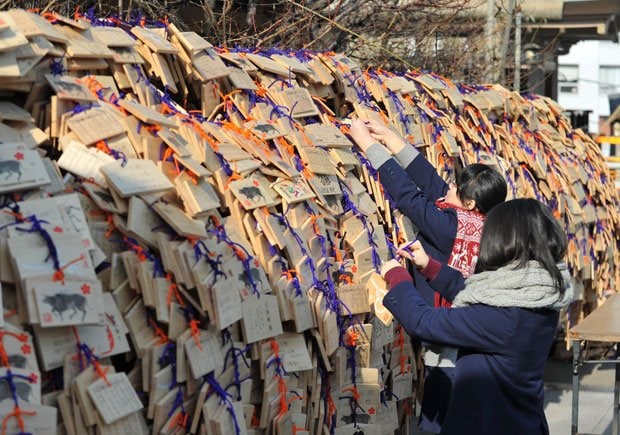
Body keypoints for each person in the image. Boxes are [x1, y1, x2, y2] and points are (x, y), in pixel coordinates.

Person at [349, 118, 507, 432]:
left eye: (457, 190)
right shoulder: (481, 222)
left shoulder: (451, 228)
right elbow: (431, 181)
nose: (448, 189)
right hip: (466, 330)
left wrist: (367, 145)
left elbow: (409, 196)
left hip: (448, 337)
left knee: (438, 415)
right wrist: (391, 138)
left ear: (470, 203)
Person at [380, 198, 573, 435]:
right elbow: (480, 293)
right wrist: (430, 266)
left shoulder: (506, 318)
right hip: (520, 420)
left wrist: (397, 278)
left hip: (488, 425)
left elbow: (423, 322)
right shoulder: (538, 293)